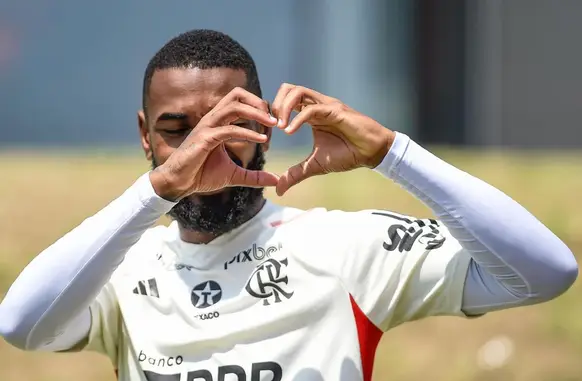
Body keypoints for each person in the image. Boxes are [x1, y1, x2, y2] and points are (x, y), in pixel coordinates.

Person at [0, 29, 577, 381]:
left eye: (226, 128)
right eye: (178, 131)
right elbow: (20, 325)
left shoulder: (344, 246)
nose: (202, 152)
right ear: (144, 136)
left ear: (265, 132)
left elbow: (545, 272)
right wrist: (154, 193)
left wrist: (391, 154)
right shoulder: (118, 264)